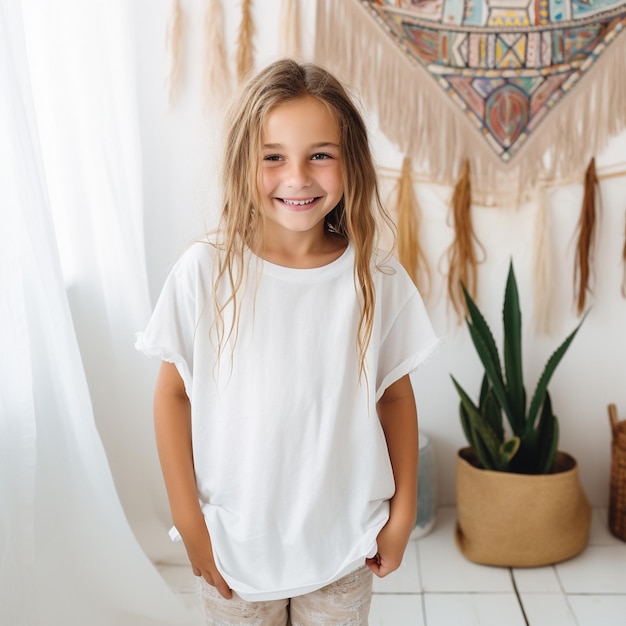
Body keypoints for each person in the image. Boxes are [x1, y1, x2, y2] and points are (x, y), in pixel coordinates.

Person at [136, 58, 440, 625]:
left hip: (344, 545)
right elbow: (172, 395)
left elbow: (394, 397)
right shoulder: (205, 272)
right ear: (241, 163)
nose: (297, 177)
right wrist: (190, 520)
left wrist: (401, 517)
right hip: (233, 546)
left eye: (320, 155)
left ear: (350, 163)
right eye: (273, 157)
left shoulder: (376, 276)